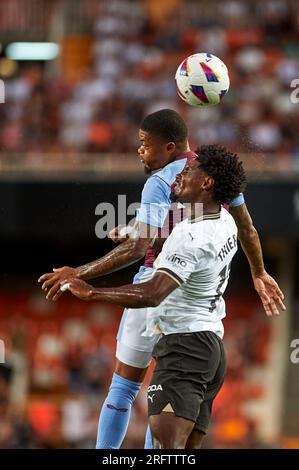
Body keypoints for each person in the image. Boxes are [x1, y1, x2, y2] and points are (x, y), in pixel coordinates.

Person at [38, 110, 285, 449]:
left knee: (126, 387)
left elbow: (143, 253)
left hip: (160, 288)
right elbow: (244, 228)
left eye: (144, 144)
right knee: (173, 416)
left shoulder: (167, 181)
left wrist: (80, 277)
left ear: (169, 147)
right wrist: (258, 272)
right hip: (207, 319)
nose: (139, 151)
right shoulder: (218, 173)